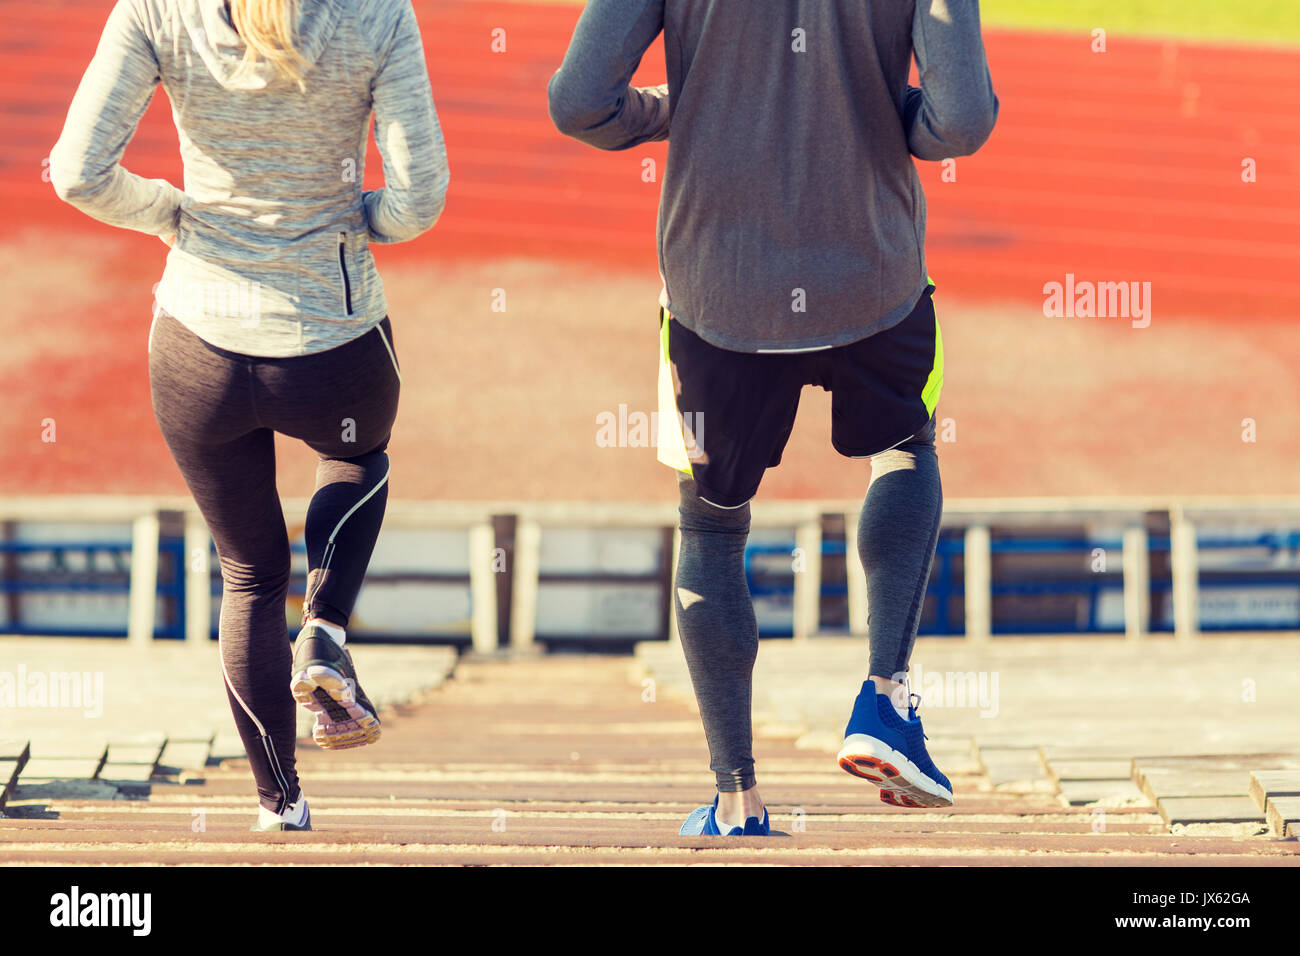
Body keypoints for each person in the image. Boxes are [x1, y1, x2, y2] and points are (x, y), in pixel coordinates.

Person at [549, 0, 997, 835]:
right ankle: (884, 702)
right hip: (874, 279)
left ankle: (735, 799)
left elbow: (579, 100)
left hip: (718, 297)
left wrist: (679, 106)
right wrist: (882, 110)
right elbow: (961, 120)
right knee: (903, 449)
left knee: (712, 525)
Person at [50, 0, 449, 831]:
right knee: (358, 460)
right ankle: (327, 628)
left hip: (197, 350)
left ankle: (282, 804)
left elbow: (79, 172)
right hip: (332, 344)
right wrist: (351, 225)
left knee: (250, 574)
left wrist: (174, 215)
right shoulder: (377, 15)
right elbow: (418, 203)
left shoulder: (154, 11)